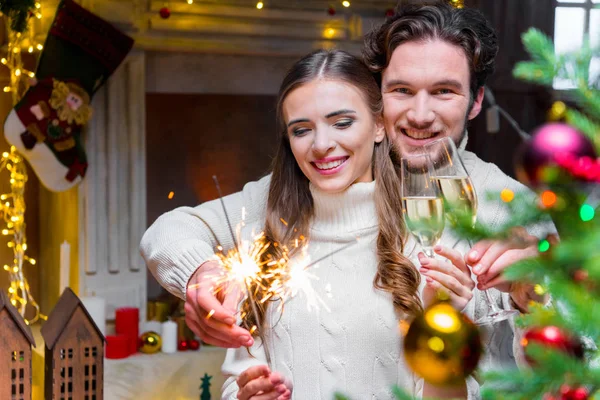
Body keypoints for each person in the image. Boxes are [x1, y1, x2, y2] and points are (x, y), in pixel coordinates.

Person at [141, 0, 547, 352]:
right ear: (375, 99)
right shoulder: (319, 182)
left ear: (475, 101)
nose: (420, 115)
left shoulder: (509, 207)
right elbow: (171, 230)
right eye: (401, 91)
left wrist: (537, 293)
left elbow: (575, 343)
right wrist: (199, 274)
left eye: (444, 92)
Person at [223, 49, 477, 400]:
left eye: (342, 123)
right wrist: (247, 395)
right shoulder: (261, 245)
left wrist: (442, 324)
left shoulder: (425, 241)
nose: (322, 145)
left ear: (378, 126)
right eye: (301, 130)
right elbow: (236, 378)